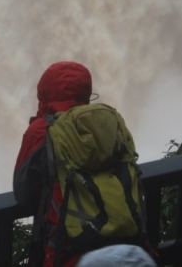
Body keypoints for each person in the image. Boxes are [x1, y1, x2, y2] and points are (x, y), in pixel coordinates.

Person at [13, 62, 145, 267]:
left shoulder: (41, 131)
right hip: (127, 243)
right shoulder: (110, 123)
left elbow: (23, 195)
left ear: (44, 94)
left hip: (67, 251)